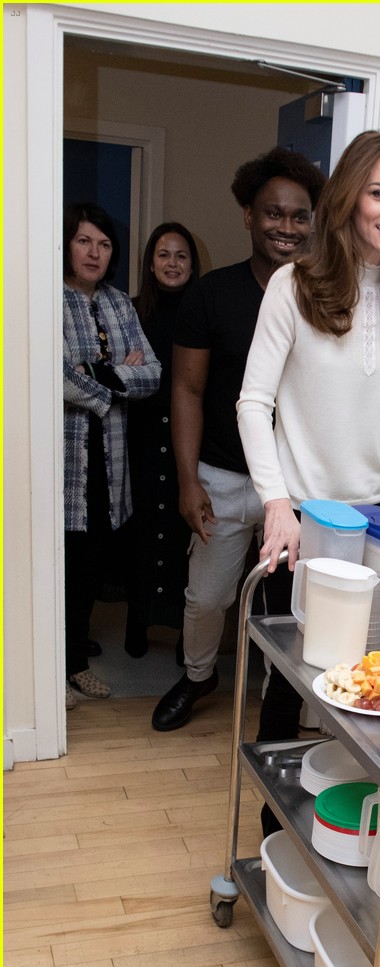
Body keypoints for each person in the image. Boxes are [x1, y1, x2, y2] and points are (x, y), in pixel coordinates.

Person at [236, 129, 380, 832]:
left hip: (378, 516)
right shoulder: (294, 287)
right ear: (349, 199)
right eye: (379, 192)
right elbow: (251, 402)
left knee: (370, 675)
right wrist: (275, 504)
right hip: (304, 517)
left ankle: (347, 804)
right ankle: (276, 818)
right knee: (293, 676)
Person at [151, 148, 326, 732]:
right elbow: (187, 390)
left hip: (297, 481)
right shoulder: (211, 295)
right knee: (207, 599)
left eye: (300, 216)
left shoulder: (323, 298)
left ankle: (284, 696)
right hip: (224, 476)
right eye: (273, 213)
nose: (287, 227)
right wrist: (187, 480)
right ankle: (198, 676)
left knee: (292, 608)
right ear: (248, 215)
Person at [63, 202, 161, 709]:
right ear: (66, 244)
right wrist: (115, 377)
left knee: (92, 560)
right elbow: (53, 376)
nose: (94, 253)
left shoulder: (121, 304)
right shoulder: (47, 300)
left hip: (111, 459)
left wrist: (94, 373)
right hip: (65, 461)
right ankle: (66, 665)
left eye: (103, 245)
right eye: (84, 241)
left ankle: (72, 648)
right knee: (62, 560)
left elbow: (153, 374)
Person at [127, 222, 201, 660]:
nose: (172, 263)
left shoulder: (201, 311)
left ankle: (182, 634)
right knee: (140, 534)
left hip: (186, 440)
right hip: (139, 438)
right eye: (163, 255)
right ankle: (137, 621)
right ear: (150, 264)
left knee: (180, 536)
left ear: (192, 265)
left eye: (181, 256)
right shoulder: (130, 312)